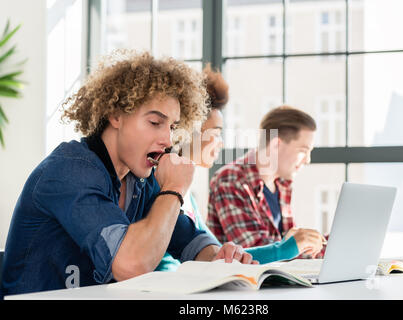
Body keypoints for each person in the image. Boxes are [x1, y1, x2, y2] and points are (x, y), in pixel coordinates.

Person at [0, 51, 254, 298]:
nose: (167, 139)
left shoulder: (140, 181)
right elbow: (131, 265)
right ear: (116, 115)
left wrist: (221, 257)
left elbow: (191, 240)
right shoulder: (68, 172)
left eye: (172, 127)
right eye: (155, 123)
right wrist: (174, 189)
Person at [156, 65, 323, 271]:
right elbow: (214, 260)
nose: (221, 143)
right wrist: (288, 248)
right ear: (190, 130)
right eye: (215, 133)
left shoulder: (186, 192)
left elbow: (215, 256)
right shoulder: (164, 187)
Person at [207, 104, 326, 258]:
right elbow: (256, 251)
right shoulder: (231, 180)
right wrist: (309, 247)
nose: (307, 160)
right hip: (244, 280)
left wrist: (325, 243)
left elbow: (287, 244)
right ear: (276, 144)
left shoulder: (282, 185)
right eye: (303, 151)